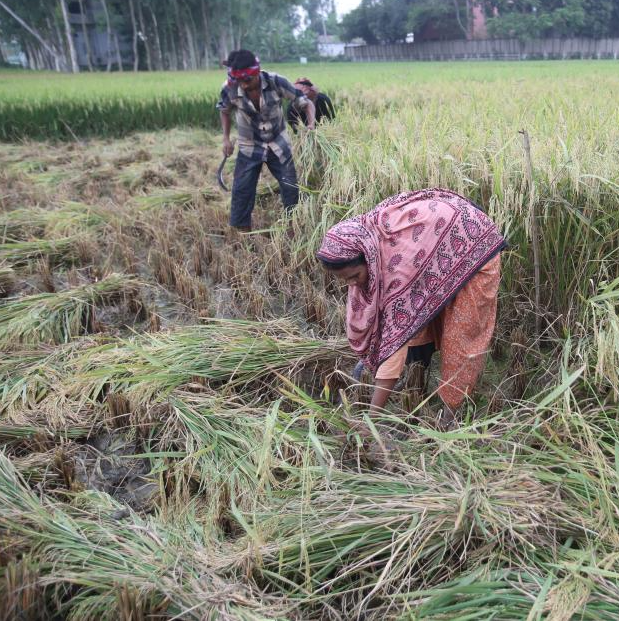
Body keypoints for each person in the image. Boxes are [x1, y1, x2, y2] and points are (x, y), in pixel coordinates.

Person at [317, 188, 506, 427]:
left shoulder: (397, 270)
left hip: (473, 242)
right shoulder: (368, 245)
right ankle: (416, 376)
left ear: (367, 260)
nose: (352, 285)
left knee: (460, 335)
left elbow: (395, 342)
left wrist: (372, 422)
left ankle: (450, 414)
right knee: (417, 321)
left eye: (355, 276)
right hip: (433, 242)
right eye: (345, 280)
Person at [217, 49, 316, 232]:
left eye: (248, 81)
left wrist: (311, 124)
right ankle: (243, 235)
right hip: (249, 145)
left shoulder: (276, 81)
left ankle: (292, 228)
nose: (244, 86)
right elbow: (224, 110)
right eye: (240, 82)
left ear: (257, 73)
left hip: (278, 144)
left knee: (290, 188)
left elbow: (305, 102)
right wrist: (226, 139)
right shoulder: (230, 88)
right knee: (242, 190)